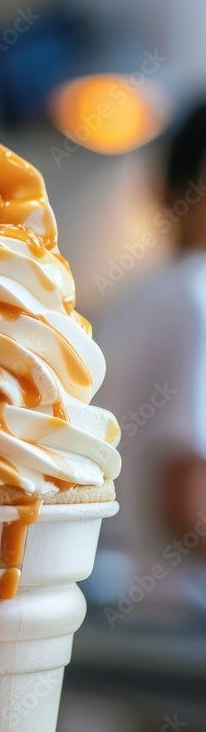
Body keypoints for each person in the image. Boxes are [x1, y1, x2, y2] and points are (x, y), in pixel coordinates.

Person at [94, 104, 206, 624]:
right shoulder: (193, 293)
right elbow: (188, 504)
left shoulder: (138, 299)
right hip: (181, 622)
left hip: (137, 615)